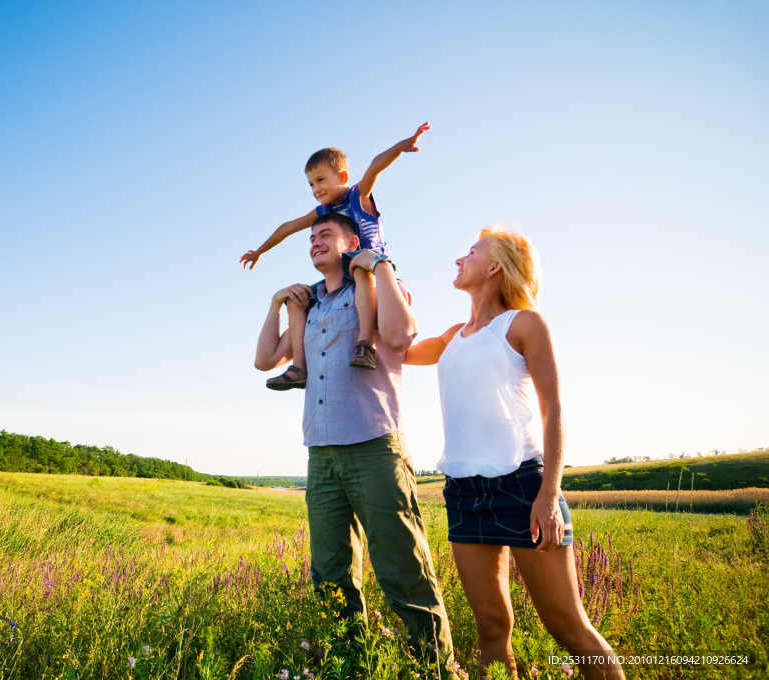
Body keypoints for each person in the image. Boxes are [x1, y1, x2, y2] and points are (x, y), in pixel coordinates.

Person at [404, 226, 625, 679]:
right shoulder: (453, 336)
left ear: (494, 266)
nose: (458, 259)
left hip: (523, 486)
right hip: (464, 492)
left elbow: (554, 409)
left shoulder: (524, 324)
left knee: (567, 627)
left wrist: (548, 494)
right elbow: (396, 350)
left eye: (470, 251)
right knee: (490, 627)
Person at [253, 212, 453, 666]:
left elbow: (402, 336)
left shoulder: (375, 287)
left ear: (350, 242)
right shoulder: (311, 306)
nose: (314, 242)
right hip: (320, 454)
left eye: (324, 234)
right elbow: (265, 359)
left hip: (374, 445)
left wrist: (379, 264)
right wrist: (276, 303)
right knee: (329, 574)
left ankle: (435, 669)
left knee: (403, 567)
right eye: (310, 238)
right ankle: (348, 666)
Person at [242, 122, 430, 388]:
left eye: (320, 180)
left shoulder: (357, 196)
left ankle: (364, 343)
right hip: (343, 274)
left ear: (342, 178)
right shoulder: (323, 212)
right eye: (310, 184)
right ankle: (299, 368)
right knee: (298, 300)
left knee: (359, 268)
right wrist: (260, 250)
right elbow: (288, 226)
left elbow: (375, 166)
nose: (315, 189)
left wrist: (400, 147)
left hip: (371, 267)